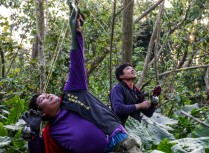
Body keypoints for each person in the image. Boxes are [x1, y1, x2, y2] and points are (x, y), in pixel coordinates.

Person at [21, 2, 143, 153]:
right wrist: (32, 133)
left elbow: (77, 60)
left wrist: (76, 32)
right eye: (43, 99)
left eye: (46, 94)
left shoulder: (72, 91)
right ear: (42, 113)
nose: (48, 95)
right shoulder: (51, 132)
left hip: (120, 142)